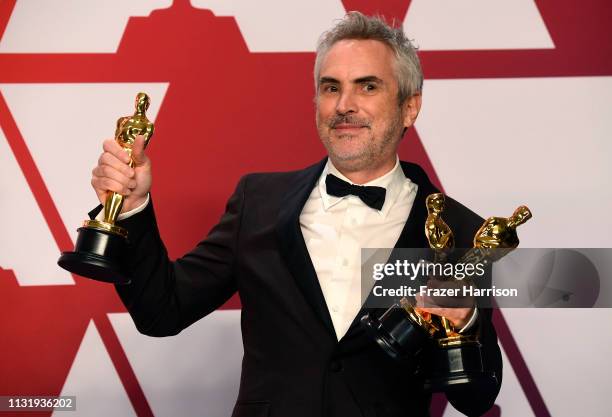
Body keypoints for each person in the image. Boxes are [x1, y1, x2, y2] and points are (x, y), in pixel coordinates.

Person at [90, 12, 502, 417]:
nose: (344, 105)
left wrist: (464, 323)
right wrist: (131, 207)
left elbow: (476, 398)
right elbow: (162, 311)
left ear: (409, 107)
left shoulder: (460, 230)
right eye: (330, 87)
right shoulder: (259, 202)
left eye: (367, 86)